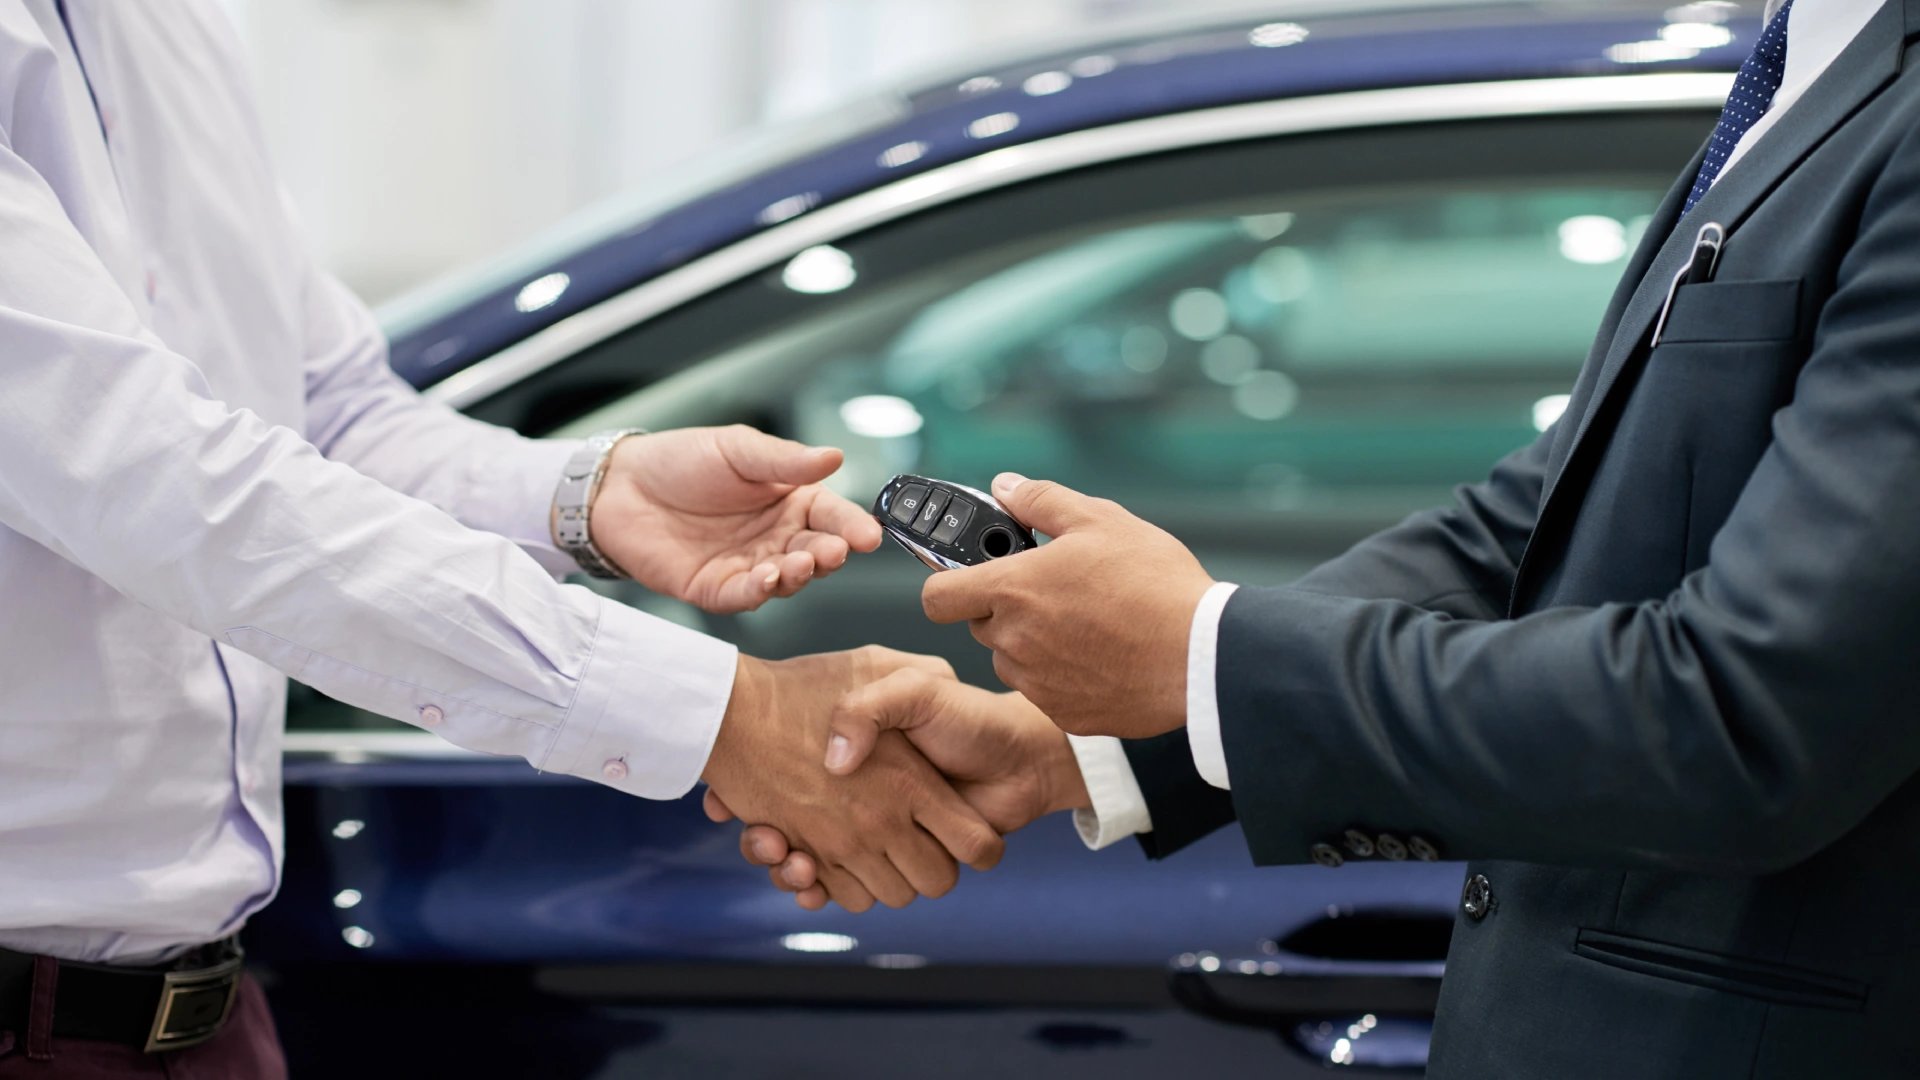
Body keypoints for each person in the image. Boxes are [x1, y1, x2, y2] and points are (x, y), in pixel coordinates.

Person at [718, 0, 1920, 1074]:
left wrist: (1203, 658)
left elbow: (1745, 713)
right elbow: (1538, 526)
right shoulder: (1817, 54)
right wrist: (1084, 740)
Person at [0, 3, 1001, 1075]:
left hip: (202, 1014)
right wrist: (729, 713)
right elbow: (161, 478)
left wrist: (585, 495)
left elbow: (331, 411)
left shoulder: (167, 24)